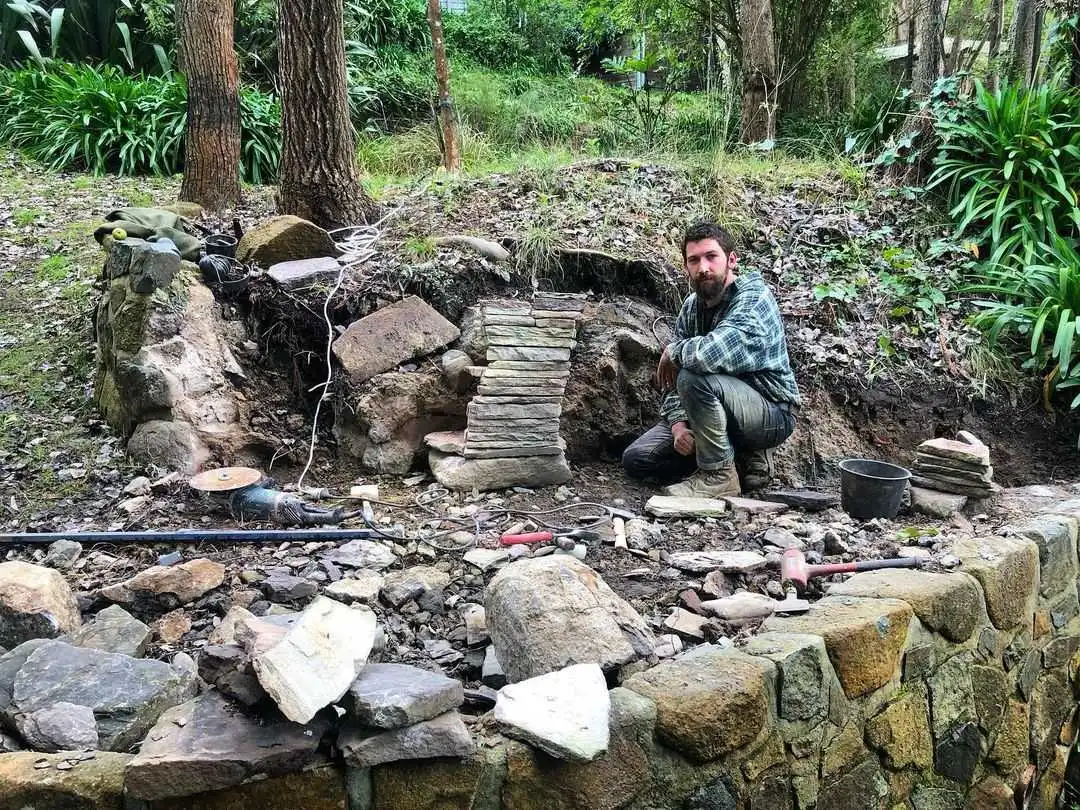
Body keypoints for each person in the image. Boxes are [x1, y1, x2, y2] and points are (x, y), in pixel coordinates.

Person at [621, 221, 800, 497]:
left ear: (731, 260)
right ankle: (729, 458)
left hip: (769, 413)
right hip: (706, 410)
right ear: (686, 267)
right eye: (694, 260)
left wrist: (674, 350)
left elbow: (711, 354)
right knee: (638, 458)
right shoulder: (691, 308)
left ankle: (720, 476)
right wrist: (679, 425)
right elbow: (670, 382)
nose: (703, 267)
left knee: (694, 376)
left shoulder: (754, 297)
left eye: (711, 257)